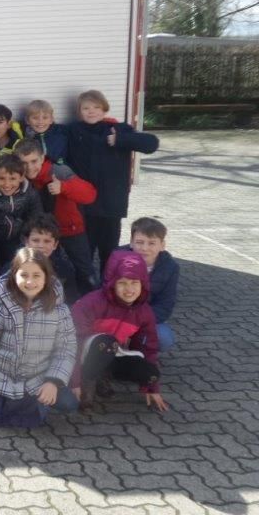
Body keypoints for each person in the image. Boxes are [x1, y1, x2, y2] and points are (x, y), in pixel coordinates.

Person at [0, 248, 79, 427]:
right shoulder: (0, 305)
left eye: (36, 275)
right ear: (14, 276)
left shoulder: (59, 310)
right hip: (0, 374)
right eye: (24, 275)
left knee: (68, 404)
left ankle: (23, 402)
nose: (30, 282)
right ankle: (6, 401)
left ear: (46, 277)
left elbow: (66, 350)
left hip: (36, 378)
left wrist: (53, 382)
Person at [66, 90, 159, 276]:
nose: (91, 111)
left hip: (111, 205)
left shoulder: (118, 129)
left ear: (104, 109)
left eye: (96, 107)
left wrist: (121, 140)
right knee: (84, 252)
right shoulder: (73, 130)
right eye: (86, 108)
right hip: (85, 204)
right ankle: (86, 286)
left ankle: (108, 285)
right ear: (79, 111)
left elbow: (151, 144)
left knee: (109, 252)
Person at [70, 250, 167, 412]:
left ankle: (103, 375)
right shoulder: (90, 304)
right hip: (84, 354)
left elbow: (148, 348)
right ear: (112, 283)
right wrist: (75, 382)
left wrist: (152, 388)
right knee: (107, 343)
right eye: (122, 283)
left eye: (134, 283)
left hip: (113, 353)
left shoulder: (144, 311)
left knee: (150, 373)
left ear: (143, 284)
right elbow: (73, 344)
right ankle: (88, 382)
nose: (129, 289)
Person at [14, 139, 98, 295]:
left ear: (42, 157)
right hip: (44, 234)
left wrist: (64, 187)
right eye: (24, 163)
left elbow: (90, 195)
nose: (29, 167)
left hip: (71, 229)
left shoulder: (59, 172)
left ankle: (89, 301)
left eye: (34, 161)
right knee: (50, 268)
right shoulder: (20, 179)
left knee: (85, 270)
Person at [119, 217, 179, 352]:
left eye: (152, 243)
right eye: (139, 242)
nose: (145, 248)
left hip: (146, 317)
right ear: (131, 242)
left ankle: (141, 351)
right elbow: (104, 291)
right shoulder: (117, 258)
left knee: (163, 338)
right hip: (117, 315)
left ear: (162, 245)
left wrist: (138, 319)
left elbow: (165, 304)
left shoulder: (170, 267)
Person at [0, 154, 43, 272]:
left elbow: (34, 221)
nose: (7, 184)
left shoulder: (30, 194)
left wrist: (24, 245)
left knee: (16, 268)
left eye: (12, 179)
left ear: (21, 177)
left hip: (17, 238)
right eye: (2, 178)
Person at [22, 99, 70, 164]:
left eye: (45, 118)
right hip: (38, 168)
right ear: (27, 120)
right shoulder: (25, 136)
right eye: (35, 118)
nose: (40, 122)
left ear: (51, 119)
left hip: (60, 165)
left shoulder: (61, 131)